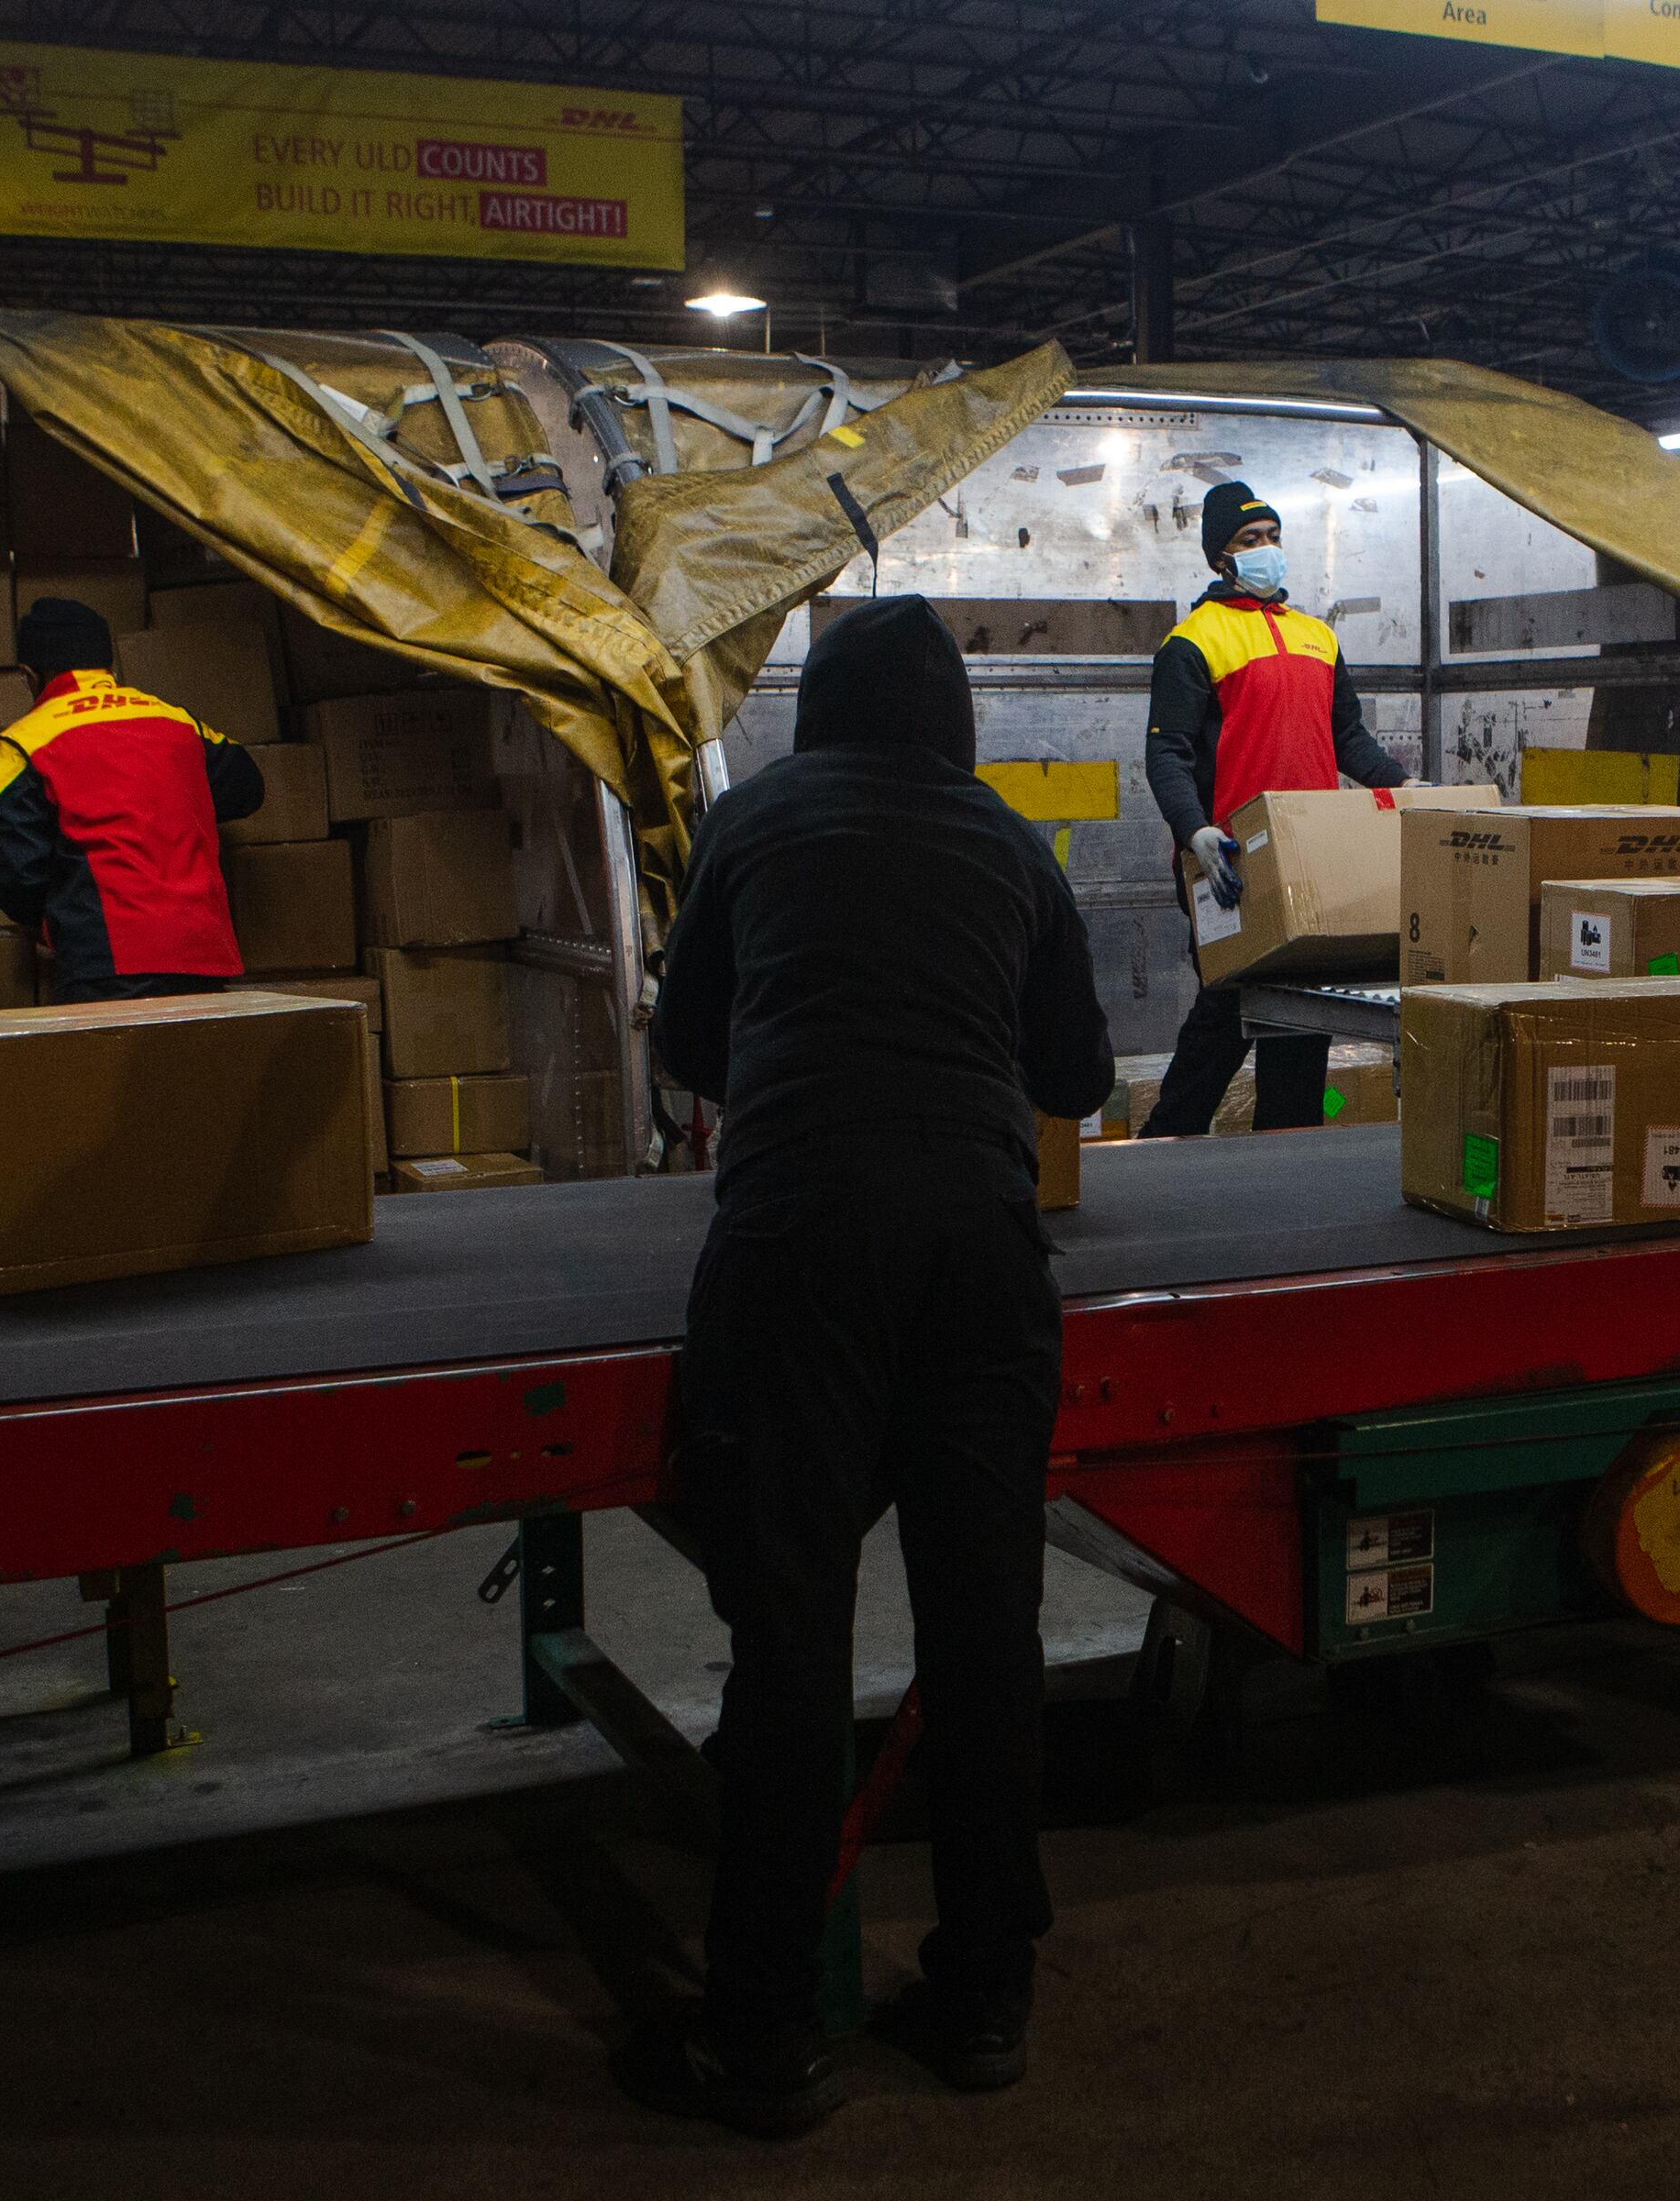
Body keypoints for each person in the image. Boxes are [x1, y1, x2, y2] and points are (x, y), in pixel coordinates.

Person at [647, 594, 1114, 2140]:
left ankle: (766, 2034)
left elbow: (687, 1044)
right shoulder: (1011, 846)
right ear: (955, 718)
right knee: (985, 1635)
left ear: (820, 713)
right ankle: (984, 1998)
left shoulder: (756, 822)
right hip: (981, 1253)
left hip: (799, 1246)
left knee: (792, 1641)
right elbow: (1077, 1077)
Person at [1138, 479, 1407, 1136]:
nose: (1266, 548)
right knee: (1224, 1017)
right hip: (1231, 863)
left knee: (1301, 1024)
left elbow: (1348, 738)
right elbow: (1167, 753)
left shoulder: (1317, 637)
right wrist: (1194, 832)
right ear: (1220, 558)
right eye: (1249, 539)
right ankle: (1162, 1148)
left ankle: (1286, 1159)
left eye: (1273, 536)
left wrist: (1405, 786)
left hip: (1313, 862)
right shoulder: (1193, 643)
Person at [0, 597, 267, 1003]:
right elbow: (248, 788)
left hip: (103, 963)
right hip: (201, 954)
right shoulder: (176, 721)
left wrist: (49, 924)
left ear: (29, 674)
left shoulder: (22, 743)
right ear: (106, 666)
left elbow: (15, 874)